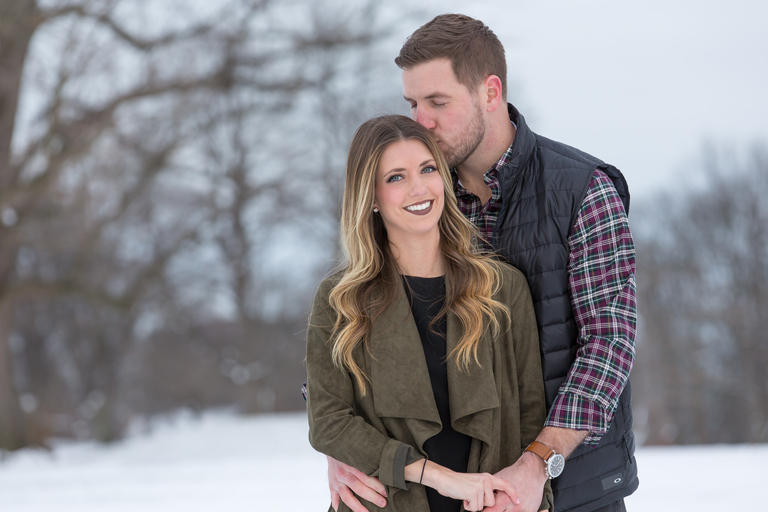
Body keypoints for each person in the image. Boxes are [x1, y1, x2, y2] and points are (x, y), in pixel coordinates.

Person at [324, 14, 638, 512]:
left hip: (574, 486)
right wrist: (348, 443)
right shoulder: (420, 193)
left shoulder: (582, 190)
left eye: (437, 102)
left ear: (490, 92)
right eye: (412, 103)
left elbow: (609, 345)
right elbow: (357, 326)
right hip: (442, 493)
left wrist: (537, 463)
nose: (420, 121)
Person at [306, 114, 553, 512]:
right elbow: (329, 420)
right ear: (369, 196)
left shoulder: (502, 288)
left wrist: (530, 499)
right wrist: (439, 476)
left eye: (427, 169)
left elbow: (529, 415)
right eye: (395, 177)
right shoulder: (340, 300)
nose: (419, 188)